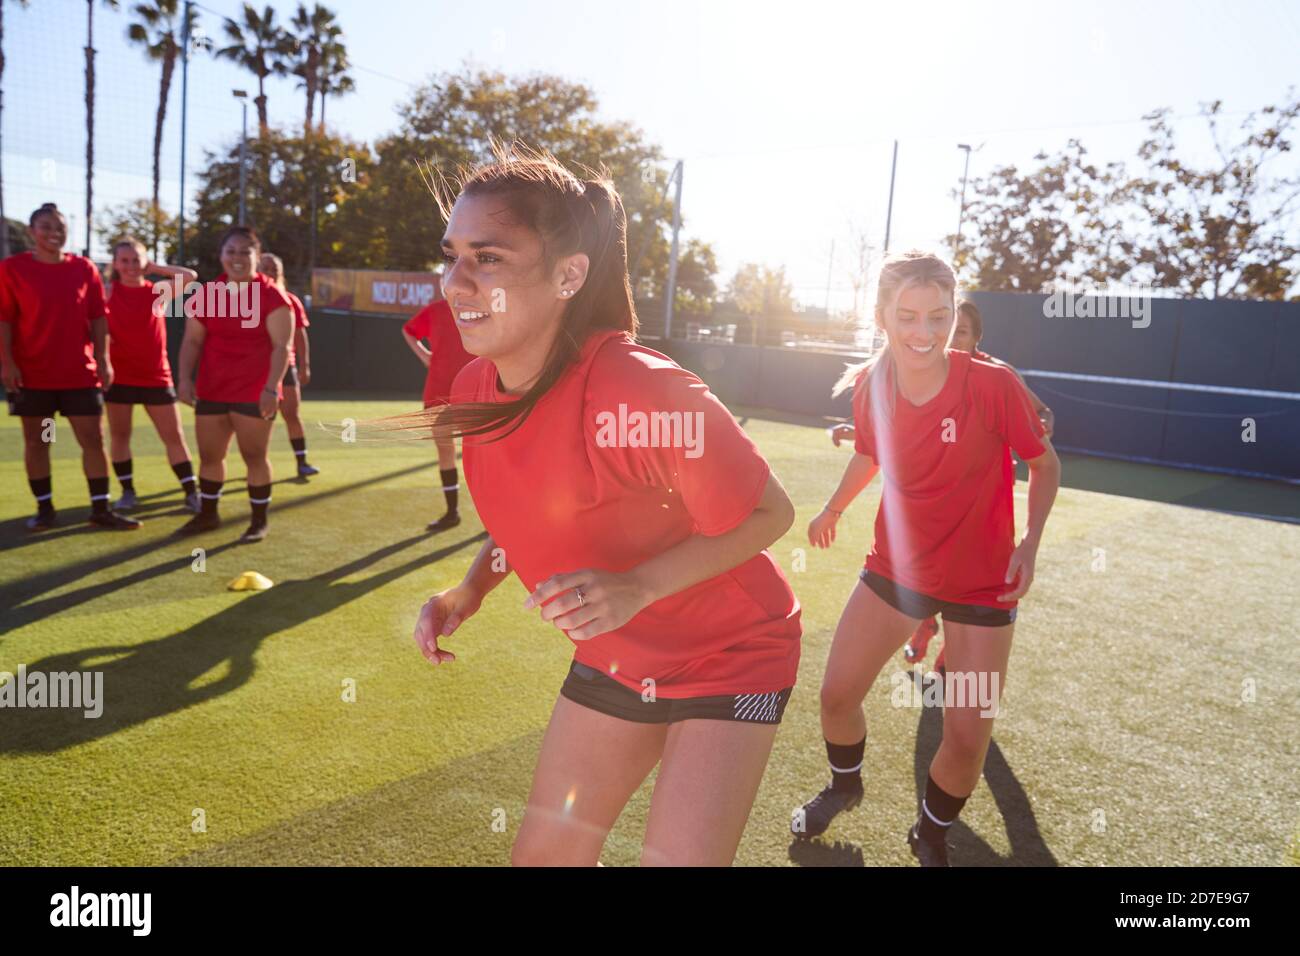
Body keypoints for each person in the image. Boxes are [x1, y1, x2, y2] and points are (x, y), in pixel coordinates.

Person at [411, 146, 802, 866]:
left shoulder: (643, 389)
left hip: (733, 657)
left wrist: (638, 587)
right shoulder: (472, 390)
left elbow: (770, 515)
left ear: (569, 274)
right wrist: (471, 586)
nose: (455, 282)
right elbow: (524, 517)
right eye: (451, 255)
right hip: (617, 658)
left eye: (487, 258)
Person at [796, 251, 1060, 866]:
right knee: (837, 695)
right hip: (897, 572)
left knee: (967, 737)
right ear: (883, 316)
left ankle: (931, 834)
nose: (924, 333)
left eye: (938, 317)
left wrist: (1030, 544)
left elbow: (1044, 463)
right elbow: (870, 453)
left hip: (982, 586)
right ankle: (845, 785)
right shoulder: (871, 386)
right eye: (908, 316)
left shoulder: (993, 384)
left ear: (953, 315)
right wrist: (833, 509)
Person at [829, 297, 1056, 673]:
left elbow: (1044, 441)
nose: (940, 337)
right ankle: (926, 628)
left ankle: (952, 652)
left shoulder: (995, 378)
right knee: (838, 694)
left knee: (967, 715)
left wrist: (1039, 426)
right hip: (910, 559)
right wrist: (855, 439)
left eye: (955, 329)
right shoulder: (898, 378)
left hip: (981, 569)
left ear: (974, 338)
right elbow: (893, 437)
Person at [0, 203, 140, 531]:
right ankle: (45, 509)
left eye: (60, 227)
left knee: (92, 440)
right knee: (38, 441)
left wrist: (104, 359)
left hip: (79, 374)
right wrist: (6, 362)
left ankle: (100, 509)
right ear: (33, 232)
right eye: (46, 226)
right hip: (32, 375)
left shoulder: (84, 269)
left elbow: (97, 317)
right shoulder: (12, 269)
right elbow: (4, 318)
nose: (54, 233)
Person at [174, 226, 293, 543]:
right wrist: (184, 379)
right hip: (212, 390)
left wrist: (271, 388)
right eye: (231, 251)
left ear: (256, 255)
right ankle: (208, 515)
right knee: (210, 457)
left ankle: (258, 522)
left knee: (254, 456)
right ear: (221, 255)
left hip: (255, 392)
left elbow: (282, 347)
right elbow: (192, 342)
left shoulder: (272, 295)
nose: (237, 258)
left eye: (245, 251)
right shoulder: (207, 294)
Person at [103, 236, 200, 512]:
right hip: (118, 377)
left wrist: (154, 266)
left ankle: (191, 493)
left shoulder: (157, 291)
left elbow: (189, 276)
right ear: (115, 263)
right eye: (125, 260)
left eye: (136, 260)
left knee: (174, 437)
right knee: (120, 436)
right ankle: (127, 492)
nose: (131, 266)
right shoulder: (107, 292)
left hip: (156, 377)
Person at [400, 286, 473, 531]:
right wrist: (424, 354)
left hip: (475, 390)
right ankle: (452, 512)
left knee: (487, 455)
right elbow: (409, 331)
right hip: (439, 390)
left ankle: (497, 520)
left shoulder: (481, 307)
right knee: (445, 450)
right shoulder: (435, 310)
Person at [258, 252, 319, 478]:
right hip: (258, 370)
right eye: (265, 267)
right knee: (261, 419)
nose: (270, 271)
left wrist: (305, 365)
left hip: (287, 367)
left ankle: (302, 462)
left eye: (274, 268)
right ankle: (257, 462)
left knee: (292, 414)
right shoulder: (246, 299)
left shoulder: (290, 300)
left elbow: (300, 335)